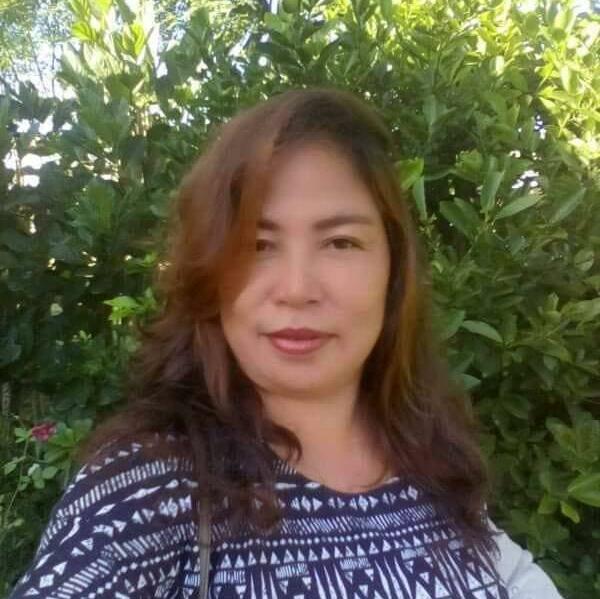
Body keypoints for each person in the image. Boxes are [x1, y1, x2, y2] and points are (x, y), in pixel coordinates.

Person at [9, 87, 563, 599]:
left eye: (340, 242)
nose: (297, 290)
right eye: (257, 245)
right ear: (210, 274)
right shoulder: (147, 492)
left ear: (393, 271)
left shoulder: (432, 462)